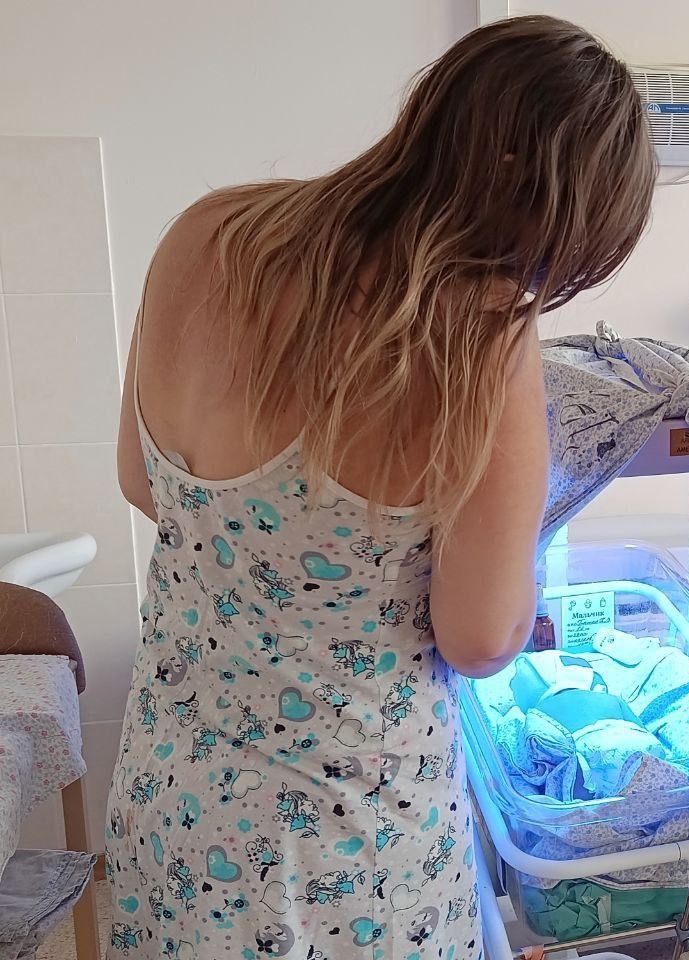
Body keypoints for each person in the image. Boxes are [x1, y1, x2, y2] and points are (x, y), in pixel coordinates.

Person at [107, 16, 654, 958]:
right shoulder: (480, 339)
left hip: (170, 798)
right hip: (352, 851)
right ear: (518, 180)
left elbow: (143, 481)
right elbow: (480, 639)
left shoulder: (209, 231)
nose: (538, 279)